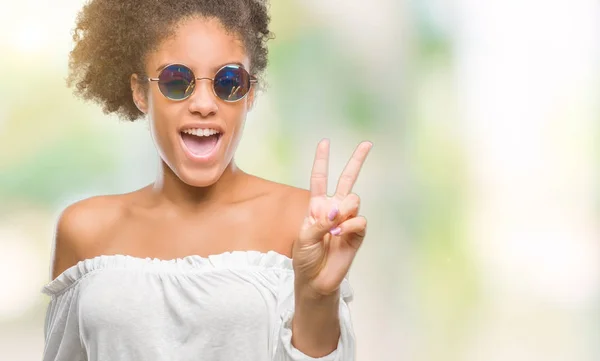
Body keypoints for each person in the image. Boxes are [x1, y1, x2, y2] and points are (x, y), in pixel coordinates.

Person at [41, 1, 372, 360]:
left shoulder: (302, 221)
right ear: (140, 92)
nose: (203, 103)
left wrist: (317, 296)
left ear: (250, 94)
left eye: (228, 82)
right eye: (176, 80)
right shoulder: (85, 230)